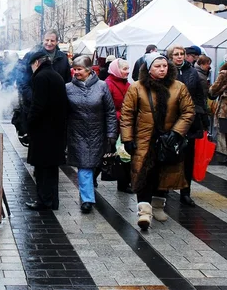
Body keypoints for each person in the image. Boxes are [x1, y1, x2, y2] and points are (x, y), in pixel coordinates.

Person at [121, 52, 194, 230]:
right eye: (157, 66)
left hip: (168, 138)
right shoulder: (137, 87)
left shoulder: (179, 87)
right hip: (144, 139)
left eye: (164, 66)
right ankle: (144, 212)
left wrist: (177, 132)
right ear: (149, 68)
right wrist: (127, 138)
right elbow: (127, 114)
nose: (162, 69)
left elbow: (188, 111)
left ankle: (159, 206)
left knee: (166, 171)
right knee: (143, 174)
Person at [66, 56, 117, 213]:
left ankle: (88, 189)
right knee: (84, 166)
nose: (76, 72)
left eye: (79, 69)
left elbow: (110, 111)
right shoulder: (67, 88)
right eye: (74, 69)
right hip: (78, 133)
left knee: (94, 165)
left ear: (89, 70)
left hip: (98, 133)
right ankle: (87, 199)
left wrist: (111, 133)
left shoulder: (102, 86)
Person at [25, 50, 69, 211]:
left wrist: (29, 122)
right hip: (56, 131)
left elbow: (38, 105)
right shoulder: (56, 75)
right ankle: (52, 201)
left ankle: (44, 201)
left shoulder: (41, 77)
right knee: (51, 170)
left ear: (37, 63)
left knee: (42, 169)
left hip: (44, 132)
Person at [168, 45, 206, 207]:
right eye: (176, 54)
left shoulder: (192, 72)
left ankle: (185, 192)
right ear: (170, 57)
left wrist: (201, 115)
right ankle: (165, 188)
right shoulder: (166, 72)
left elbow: (199, 96)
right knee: (169, 156)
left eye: (181, 54)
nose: (179, 57)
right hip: (170, 120)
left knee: (188, 158)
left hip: (189, 120)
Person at [105, 58, 133, 193]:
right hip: (113, 125)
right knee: (108, 154)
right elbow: (107, 107)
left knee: (125, 154)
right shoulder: (108, 84)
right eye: (124, 69)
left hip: (125, 124)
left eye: (128, 69)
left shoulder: (127, 84)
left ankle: (124, 183)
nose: (127, 72)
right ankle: (92, 178)